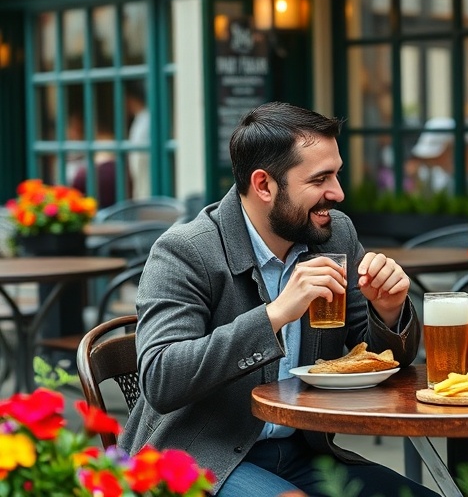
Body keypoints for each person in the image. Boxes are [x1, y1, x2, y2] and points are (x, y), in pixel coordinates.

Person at [118, 102, 438, 497]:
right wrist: (274, 314)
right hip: (197, 458)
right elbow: (162, 378)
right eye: (320, 179)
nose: (337, 193)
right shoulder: (185, 251)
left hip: (303, 452)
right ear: (264, 185)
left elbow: (372, 359)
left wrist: (388, 313)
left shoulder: (336, 235)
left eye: (337, 174)